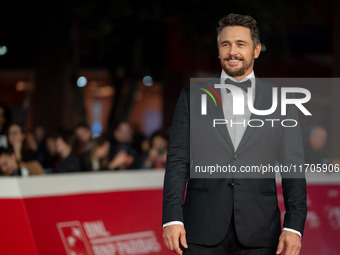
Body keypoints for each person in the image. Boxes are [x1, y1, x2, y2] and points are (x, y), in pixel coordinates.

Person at [162, 14, 307, 255]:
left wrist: (294, 225)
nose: (232, 51)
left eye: (241, 44)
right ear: (218, 50)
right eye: (225, 44)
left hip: (260, 230)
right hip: (200, 229)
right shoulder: (191, 98)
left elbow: (293, 167)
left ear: (256, 50)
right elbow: (178, 162)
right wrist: (172, 219)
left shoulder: (283, 102)